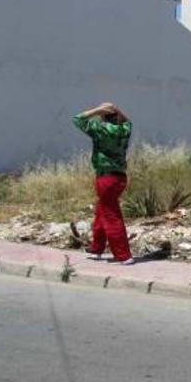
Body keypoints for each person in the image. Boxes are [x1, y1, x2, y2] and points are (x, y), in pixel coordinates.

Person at [73, 103, 135, 265]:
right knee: (102, 211)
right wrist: (117, 109)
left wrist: (96, 110)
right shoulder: (124, 130)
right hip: (120, 178)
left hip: (105, 178)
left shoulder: (100, 129)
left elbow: (77, 119)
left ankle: (124, 255)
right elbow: (128, 122)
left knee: (111, 216)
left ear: (103, 117)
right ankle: (97, 249)